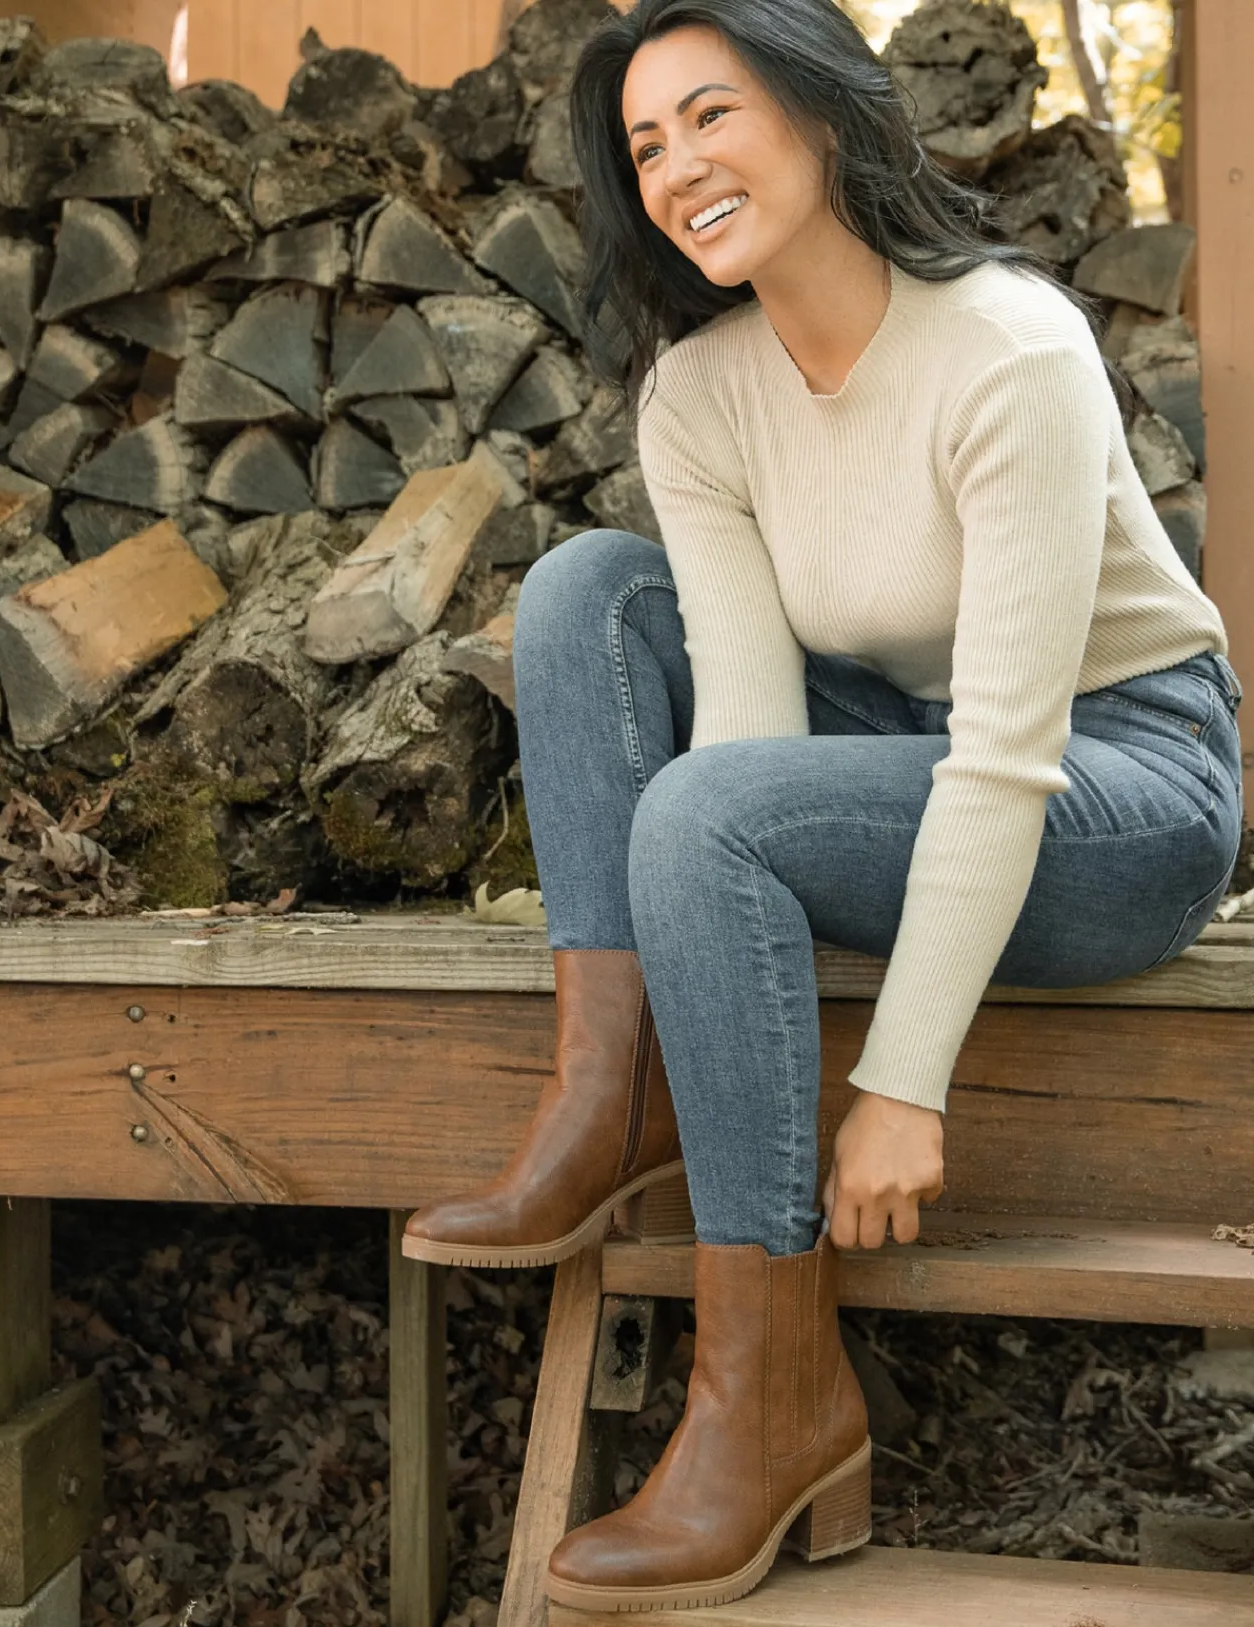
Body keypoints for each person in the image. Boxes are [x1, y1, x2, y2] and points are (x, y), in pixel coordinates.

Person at [403, 0, 1243, 1607]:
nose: (677, 167)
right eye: (645, 145)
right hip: (895, 741)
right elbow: (749, 725)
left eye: (711, 116)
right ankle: (618, 1090)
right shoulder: (701, 395)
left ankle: (772, 1400)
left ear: (825, 118)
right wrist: (720, 947)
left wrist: (901, 1076)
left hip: (1120, 778)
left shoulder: (1009, 348)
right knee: (586, 593)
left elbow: (1005, 755)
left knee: (709, 817)